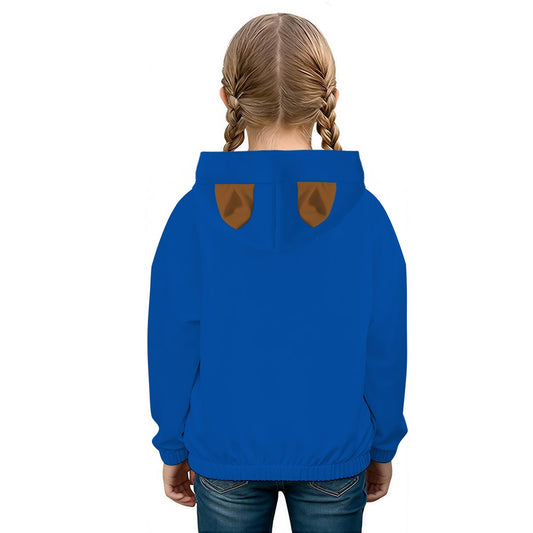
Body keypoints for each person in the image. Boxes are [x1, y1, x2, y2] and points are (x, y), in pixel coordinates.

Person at [147, 12, 408, 533]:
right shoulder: (365, 216)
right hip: (335, 449)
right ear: (329, 98)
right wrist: (382, 444)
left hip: (225, 450)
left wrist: (173, 443)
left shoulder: (195, 216)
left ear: (228, 98)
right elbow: (384, 341)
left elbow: (173, 339)